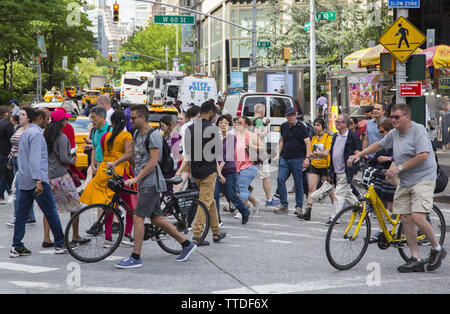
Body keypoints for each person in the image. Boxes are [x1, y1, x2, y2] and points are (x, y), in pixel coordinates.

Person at [348, 103, 447, 273]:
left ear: (407, 117)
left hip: (423, 178)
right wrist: (359, 154)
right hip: (405, 180)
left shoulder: (418, 130)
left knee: (417, 217)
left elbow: (423, 155)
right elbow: (379, 145)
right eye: (392, 117)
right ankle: (415, 257)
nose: (393, 120)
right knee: (406, 218)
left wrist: (398, 168)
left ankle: (437, 248)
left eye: (396, 117)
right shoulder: (394, 133)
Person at [116, 105, 196, 268]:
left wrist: (135, 178)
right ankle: (186, 244)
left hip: (151, 183)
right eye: (130, 118)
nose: (130, 121)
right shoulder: (137, 133)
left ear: (143, 118)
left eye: (133, 118)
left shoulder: (154, 137)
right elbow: (132, 153)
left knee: (138, 216)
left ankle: (136, 256)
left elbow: (153, 162)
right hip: (143, 182)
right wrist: (114, 163)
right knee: (157, 219)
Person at [11, 109, 68, 257]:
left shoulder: (25, 133)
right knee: (50, 211)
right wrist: (39, 180)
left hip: (24, 179)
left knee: (21, 215)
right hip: (35, 180)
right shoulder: (36, 135)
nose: (48, 122)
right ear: (40, 118)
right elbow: (36, 160)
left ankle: (16, 245)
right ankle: (60, 243)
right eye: (46, 119)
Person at [80, 111, 135, 247]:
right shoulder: (126, 136)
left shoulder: (105, 136)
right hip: (121, 173)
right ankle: (127, 235)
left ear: (113, 122)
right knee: (130, 206)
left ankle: (108, 238)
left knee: (109, 206)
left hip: (104, 172)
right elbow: (129, 155)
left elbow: (103, 154)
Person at [179, 101, 226, 246]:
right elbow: (217, 153)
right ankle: (197, 236)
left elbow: (186, 154)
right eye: (215, 114)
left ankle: (216, 232)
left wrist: (181, 171)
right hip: (208, 171)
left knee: (209, 201)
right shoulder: (213, 130)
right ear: (211, 112)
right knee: (204, 203)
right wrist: (218, 173)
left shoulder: (188, 128)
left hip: (195, 171)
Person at [44, 110, 89, 247]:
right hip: (61, 176)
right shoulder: (62, 138)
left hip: (49, 177)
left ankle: (46, 238)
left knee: (49, 209)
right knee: (75, 205)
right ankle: (75, 236)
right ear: (61, 122)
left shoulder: (46, 135)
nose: (66, 122)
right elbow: (64, 158)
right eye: (65, 119)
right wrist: (73, 160)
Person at [214, 114, 250, 225]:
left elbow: (228, 156)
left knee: (231, 195)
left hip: (229, 171)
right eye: (220, 123)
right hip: (218, 171)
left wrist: (220, 172)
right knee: (214, 196)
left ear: (229, 125)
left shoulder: (231, 137)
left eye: (225, 123)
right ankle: (217, 220)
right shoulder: (217, 138)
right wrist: (218, 172)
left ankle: (245, 211)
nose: (223, 125)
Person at [273, 107, 310, 215]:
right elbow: (282, 140)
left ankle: (299, 206)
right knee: (280, 179)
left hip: (298, 158)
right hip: (285, 158)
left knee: (298, 183)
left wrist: (307, 158)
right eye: (289, 115)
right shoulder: (284, 126)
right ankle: (284, 205)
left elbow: (308, 142)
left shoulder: (302, 127)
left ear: (296, 115)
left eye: (293, 115)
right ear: (286, 116)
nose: (291, 117)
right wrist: (278, 154)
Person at [327, 114, 361, 225]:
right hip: (337, 169)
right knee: (347, 194)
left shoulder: (352, 136)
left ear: (345, 124)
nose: (336, 123)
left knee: (338, 193)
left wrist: (354, 163)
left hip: (346, 170)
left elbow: (358, 152)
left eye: (338, 122)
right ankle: (363, 209)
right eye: (336, 121)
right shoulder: (336, 136)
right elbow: (333, 153)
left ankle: (335, 217)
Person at [298, 118, 334, 221]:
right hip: (314, 165)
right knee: (311, 188)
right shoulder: (313, 138)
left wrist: (316, 154)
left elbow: (326, 153)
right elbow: (309, 152)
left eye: (318, 125)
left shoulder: (327, 138)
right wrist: (315, 155)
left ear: (323, 126)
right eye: (315, 125)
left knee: (329, 189)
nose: (316, 127)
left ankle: (336, 210)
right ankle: (308, 211)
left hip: (325, 166)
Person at [6, 108, 36, 227]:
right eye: (20, 115)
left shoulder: (31, 130)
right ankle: (29, 216)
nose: (20, 117)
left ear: (29, 117)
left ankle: (18, 216)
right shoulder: (18, 128)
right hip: (15, 160)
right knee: (23, 190)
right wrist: (10, 160)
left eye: (23, 115)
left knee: (16, 189)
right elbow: (13, 147)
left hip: (24, 162)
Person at [252, 103, 279, 207]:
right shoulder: (258, 120)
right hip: (260, 151)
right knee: (266, 175)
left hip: (253, 150)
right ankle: (268, 199)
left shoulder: (252, 119)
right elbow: (259, 133)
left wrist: (265, 124)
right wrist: (266, 129)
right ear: (262, 112)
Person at [88, 106, 111, 176]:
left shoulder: (110, 131)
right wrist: (92, 165)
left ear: (102, 117)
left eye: (93, 117)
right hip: (97, 167)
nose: (91, 120)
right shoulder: (95, 131)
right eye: (91, 117)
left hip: (107, 167)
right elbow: (94, 149)